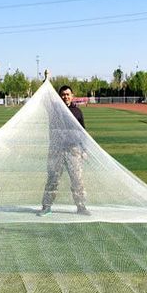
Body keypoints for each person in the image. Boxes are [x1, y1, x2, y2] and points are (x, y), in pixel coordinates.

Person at [38, 85, 90, 216]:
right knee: (52, 179)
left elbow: (82, 132)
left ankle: (81, 207)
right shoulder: (54, 109)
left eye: (68, 94)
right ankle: (46, 206)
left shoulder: (78, 112)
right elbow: (45, 97)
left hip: (73, 150)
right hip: (56, 150)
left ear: (72, 96)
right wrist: (46, 80)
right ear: (59, 96)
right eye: (63, 94)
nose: (65, 96)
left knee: (77, 180)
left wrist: (84, 150)